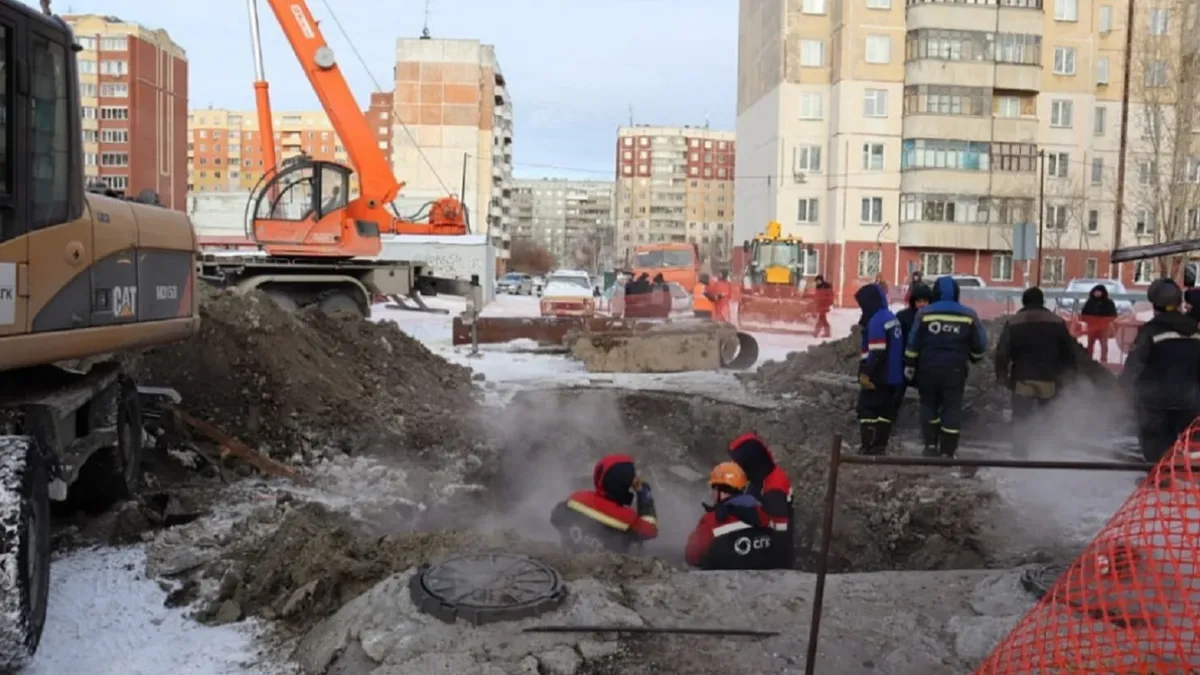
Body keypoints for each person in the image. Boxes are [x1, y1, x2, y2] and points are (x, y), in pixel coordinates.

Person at [904, 276, 988, 458]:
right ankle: (948, 451)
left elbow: (913, 343)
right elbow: (980, 345)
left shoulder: (924, 313)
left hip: (927, 369)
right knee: (952, 407)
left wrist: (910, 364)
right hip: (955, 370)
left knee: (928, 406)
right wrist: (974, 357)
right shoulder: (969, 315)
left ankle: (930, 446)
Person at [1120, 278, 1200, 465]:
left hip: (1155, 402)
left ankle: (1160, 479)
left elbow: (1135, 365)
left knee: (1155, 445)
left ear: (1154, 302)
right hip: (1189, 401)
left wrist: (1123, 389)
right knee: (1186, 445)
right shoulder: (1195, 332)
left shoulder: (1149, 332)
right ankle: (1178, 478)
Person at [994, 287, 1078, 454]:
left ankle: (1020, 452)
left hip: (1023, 378)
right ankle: (1047, 452)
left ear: (1024, 301)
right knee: (1049, 415)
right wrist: (1069, 376)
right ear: (1042, 301)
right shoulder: (1056, 321)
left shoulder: (1014, 322)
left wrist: (1002, 376)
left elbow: (1002, 352)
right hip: (1049, 378)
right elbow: (1069, 352)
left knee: (1021, 417)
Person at [550, 454, 657, 554]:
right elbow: (649, 530)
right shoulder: (628, 518)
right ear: (626, 484)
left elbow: (555, 517)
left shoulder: (577, 498)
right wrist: (644, 492)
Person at [684, 462, 775, 570]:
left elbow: (693, 555)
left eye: (713, 488)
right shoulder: (765, 514)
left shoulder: (713, 519)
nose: (712, 493)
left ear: (721, 490)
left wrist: (691, 538)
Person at [727, 433, 794, 568]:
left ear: (751, 462)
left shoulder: (774, 489)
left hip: (769, 557)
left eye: (739, 464)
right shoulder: (761, 477)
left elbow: (779, 537)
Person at [855, 282, 906, 455]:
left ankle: (868, 445)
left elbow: (877, 351)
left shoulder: (877, 320)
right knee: (886, 411)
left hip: (879, 375)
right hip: (894, 376)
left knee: (867, 409)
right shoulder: (891, 317)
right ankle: (880, 445)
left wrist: (866, 373)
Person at [1080, 284, 1118, 363]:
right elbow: (1083, 313)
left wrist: (1106, 320)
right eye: (1095, 291)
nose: (1097, 293)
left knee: (1104, 345)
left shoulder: (1109, 302)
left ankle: (1103, 361)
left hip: (1104, 328)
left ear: (1103, 293)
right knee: (1090, 344)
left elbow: (1113, 315)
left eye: (1099, 291)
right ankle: (1089, 361)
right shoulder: (1089, 302)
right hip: (1092, 327)